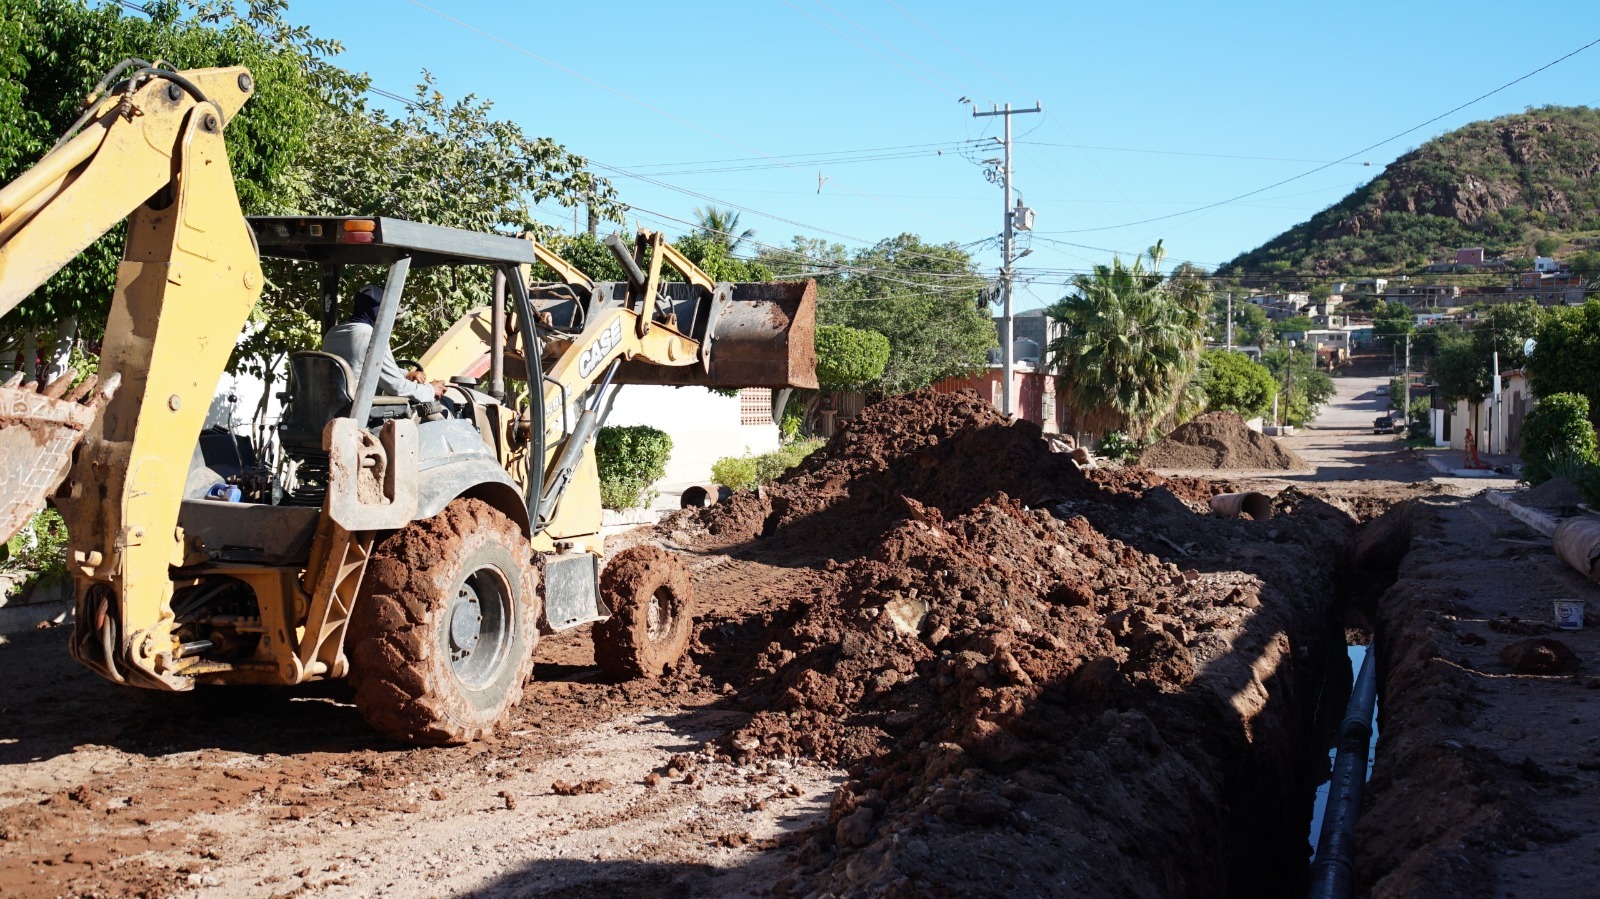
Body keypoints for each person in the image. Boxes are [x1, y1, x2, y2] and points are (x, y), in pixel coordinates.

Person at [321, 284, 445, 403]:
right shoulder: (372, 337)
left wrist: (406, 373)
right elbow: (396, 386)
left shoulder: (332, 333)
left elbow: (364, 367)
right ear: (380, 311)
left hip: (332, 407)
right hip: (359, 411)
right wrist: (430, 389)